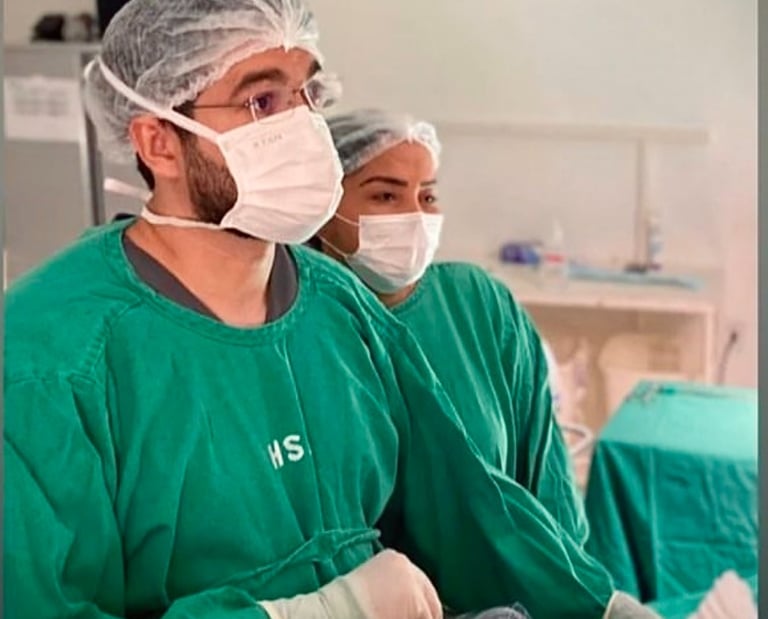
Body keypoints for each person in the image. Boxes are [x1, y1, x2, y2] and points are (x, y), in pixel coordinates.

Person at [5, 1, 659, 618]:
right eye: (264, 101)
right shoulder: (51, 358)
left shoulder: (336, 303)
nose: (303, 127)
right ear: (159, 143)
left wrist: (596, 604)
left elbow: (465, 502)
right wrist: (316, 610)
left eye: (309, 93)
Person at [314, 108, 588, 545]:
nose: (414, 215)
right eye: (385, 196)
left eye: (427, 196)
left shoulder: (480, 304)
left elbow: (547, 479)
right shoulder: (304, 326)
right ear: (323, 204)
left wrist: (563, 575)